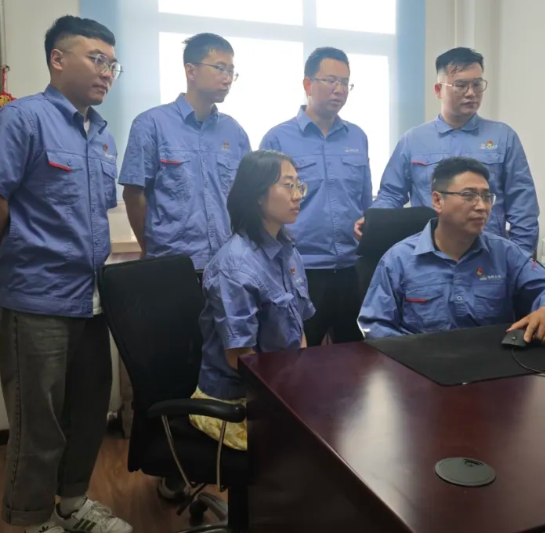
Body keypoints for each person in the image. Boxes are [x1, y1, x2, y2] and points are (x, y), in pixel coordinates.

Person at [0, 16, 131, 533]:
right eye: (96, 59)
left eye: (113, 64)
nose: (107, 72)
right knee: (38, 423)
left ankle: (72, 503)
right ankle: (30, 520)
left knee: (89, 412)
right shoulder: (22, 119)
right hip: (35, 299)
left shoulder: (102, 134)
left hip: (91, 299)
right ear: (57, 59)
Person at [359, 157, 545, 342]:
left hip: (492, 367)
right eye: (468, 196)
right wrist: (411, 356)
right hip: (419, 368)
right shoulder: (398, 259)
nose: (481, 206)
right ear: (437, 201)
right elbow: (375, 324)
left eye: (487, 196)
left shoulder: (505, 253)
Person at [359, 47, 540, 255]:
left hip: (489, 256)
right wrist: (373, 221)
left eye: (477, 84)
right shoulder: (414, 140)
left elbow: (523, 206)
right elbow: (391, 194)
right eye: (461, 85)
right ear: (438, 90)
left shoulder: (503, 137)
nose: (471, 93)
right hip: (428, 257)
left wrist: (520, 259)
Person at [190, 150, 315, 450]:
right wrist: (291, 393)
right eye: (288, 185)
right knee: (309, 453)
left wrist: (301, 382)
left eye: (299, 185)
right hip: (236, 402)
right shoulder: (235, 266)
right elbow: (241, 358)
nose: (298, 195)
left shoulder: (288, 252)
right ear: (258, 195)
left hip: (278, 388)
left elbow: (299, 330)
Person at [259, 47, 370, 346]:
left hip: (350, 268)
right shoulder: (277, 138)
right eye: (331, 80)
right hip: (299, 268)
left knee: (355, 357)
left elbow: (365, 202)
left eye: (345, 82)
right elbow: (265, 210)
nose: (339, 89)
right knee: (298, 357)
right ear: (308, 84)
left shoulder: (357, 137)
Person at [119, 33, 251, 270]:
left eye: (231, 71)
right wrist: (148, 248)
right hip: (171, 263)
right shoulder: (151, 124)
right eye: (220, 68)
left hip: (225, 263)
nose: (227, 78)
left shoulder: (234, 132)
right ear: (191, 71)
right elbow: (133, 194)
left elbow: (244, 198)